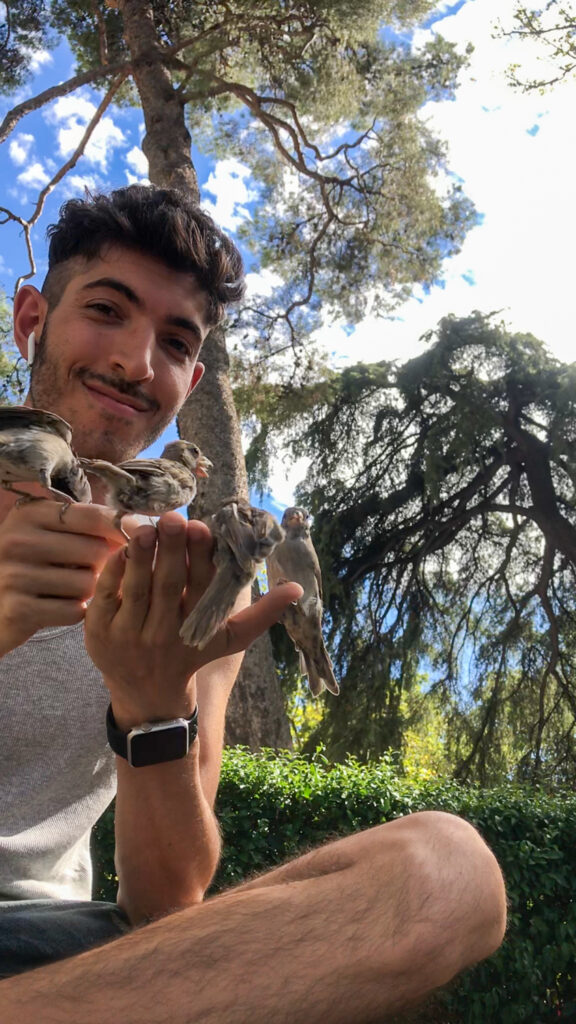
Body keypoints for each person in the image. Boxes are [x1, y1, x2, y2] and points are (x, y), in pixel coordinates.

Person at [0, 185, 506, 1023]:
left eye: (174, 341)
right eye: (106, 309)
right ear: (30, 320)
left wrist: (151, 703)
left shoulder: (191, 593)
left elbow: (166, 904)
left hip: (64, 957)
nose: (136, 362)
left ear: (190, 379)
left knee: (446, 872)